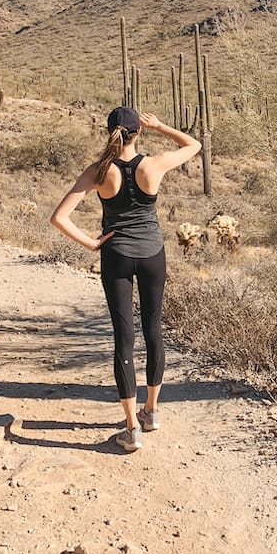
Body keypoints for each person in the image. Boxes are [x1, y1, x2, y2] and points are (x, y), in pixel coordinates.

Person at [50, 107, 201, 451]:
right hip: (152, 256)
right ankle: (151, 411)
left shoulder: (99, 171)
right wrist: (161, 125)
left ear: (109, 132)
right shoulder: (154, 164)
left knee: (123, 338)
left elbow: (59, 217)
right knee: (153, 330)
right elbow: (193, 145)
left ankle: (131, 427)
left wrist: (90, 242)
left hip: (115, 256)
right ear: (138, 133)